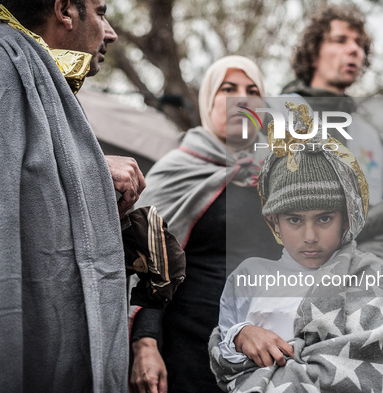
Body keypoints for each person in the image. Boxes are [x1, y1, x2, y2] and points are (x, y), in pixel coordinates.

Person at [0, 0, 144, 391]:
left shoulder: (41, 89)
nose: (111, 32)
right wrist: (97, 171)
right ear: (65, 10)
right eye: (101, 12)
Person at [209, 138, 383, 392]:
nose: (310, 236)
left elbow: (381, 370)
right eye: (295, 220)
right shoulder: (250, 276)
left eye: (324, 218)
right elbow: (225, 358)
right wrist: (240, 335)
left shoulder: (372, 276)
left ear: (346, 218)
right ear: (274, 222)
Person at [129, 56, 282, 393]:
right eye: (228, 89)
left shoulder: (283, 174)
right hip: (193, 350)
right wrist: (146, 344)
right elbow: (144, 265)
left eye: (252, 90)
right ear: (208, 102)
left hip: (275, 354)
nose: (242, 98)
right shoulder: (178, 169)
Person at [281, 4, 383, 210]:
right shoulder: (275, 114)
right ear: (312, 54)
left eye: (360, 44)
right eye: (340, 40)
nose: (355, 49)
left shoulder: (372, 138)